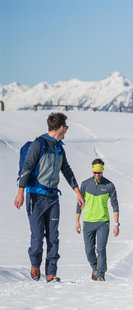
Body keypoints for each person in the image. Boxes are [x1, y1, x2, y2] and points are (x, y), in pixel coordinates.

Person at [14, 112, 85, 283]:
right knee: (37, 236)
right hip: (36, 197)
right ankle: (35, 265)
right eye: (66, 127)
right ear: (60, 127)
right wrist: (20, 192)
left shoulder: (59, 147)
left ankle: (51, 274)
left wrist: (77, 191)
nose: (66, 131)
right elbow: (27, 167)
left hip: (53, 198)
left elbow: (66, 170)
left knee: (53, 236)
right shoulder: (38, 145)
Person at [75, 159, 119, 281]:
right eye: (95, 172)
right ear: (92, 171)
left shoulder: (109, 185)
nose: (97, 175)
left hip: (103, 222)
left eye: (99, 172)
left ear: (102, 171)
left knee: (101, 249)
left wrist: (116, 224)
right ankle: (95, 267)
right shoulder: (85, 184)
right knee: (89, 251)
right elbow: (79, 203)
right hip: (88, 222)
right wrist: (77, 221)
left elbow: (115, 204)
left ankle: (100, 274)